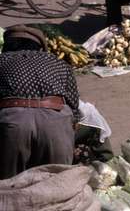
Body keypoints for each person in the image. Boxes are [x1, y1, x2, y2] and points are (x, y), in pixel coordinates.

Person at [0, 25, 80, 179]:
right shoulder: (58, 63)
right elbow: (74, 106)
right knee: (58, 183)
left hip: (14, 124)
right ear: (40, 46)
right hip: (56, 122)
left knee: (11, 187)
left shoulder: (1, 61)